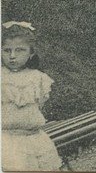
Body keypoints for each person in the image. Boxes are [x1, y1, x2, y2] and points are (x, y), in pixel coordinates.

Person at [2, 22, 62, 172]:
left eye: (20, 50)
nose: (12, 56)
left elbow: (39, 105)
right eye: (7, 50)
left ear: (31, 53)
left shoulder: (38, 78)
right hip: (6, 140)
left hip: (34, 139)